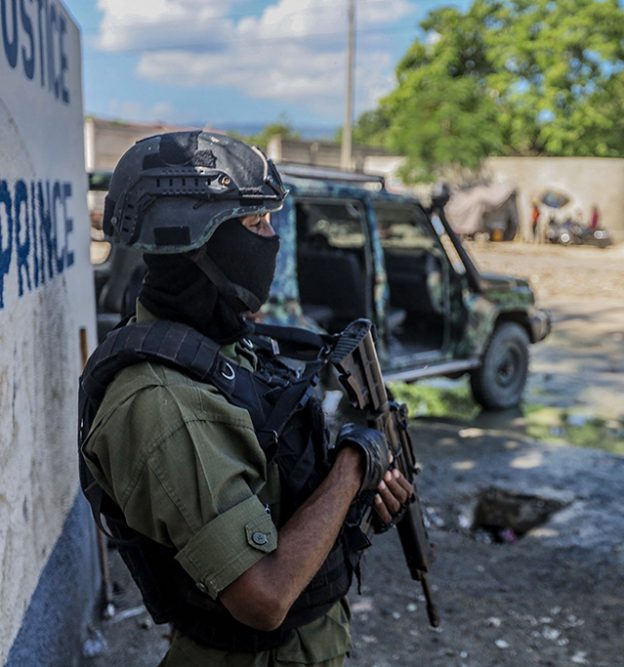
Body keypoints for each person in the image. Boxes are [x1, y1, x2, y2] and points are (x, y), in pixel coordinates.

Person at [78, 131, 413, 666]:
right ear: (199, 241)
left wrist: (354, 503)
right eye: (256, 224)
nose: (271, 240)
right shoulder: (162, 404)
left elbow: (274, 486)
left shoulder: (222, 345)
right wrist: (353, 467)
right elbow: (263, 596)